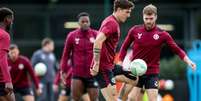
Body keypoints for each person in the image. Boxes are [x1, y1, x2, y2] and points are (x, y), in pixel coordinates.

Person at [118, 4, 196, 101]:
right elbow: (124, 47)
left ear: (156, 17)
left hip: (152, 73)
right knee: (131, 98)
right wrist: (120, 61)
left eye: (151, 18)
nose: (148, 21)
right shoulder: (135, 30)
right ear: (143, 17)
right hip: (136, 71)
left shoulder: (163, 34)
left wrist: (189, 61)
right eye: (146, 18)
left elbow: (177, 49)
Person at [90, 0, 135, 100]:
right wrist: (96, 63)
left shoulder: (112, 21)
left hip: (110, 66)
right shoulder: (111, 23)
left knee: (134, 78)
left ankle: (120, 99)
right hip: (103, 68)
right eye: (127, 12)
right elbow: (97, 41)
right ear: (119, 10)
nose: (128, 15)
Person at [60, 12, 98, 101]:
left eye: (87, 21)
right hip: (77, 74)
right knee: (75, 99)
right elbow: (65, 55)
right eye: (83, 21)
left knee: (94, 99)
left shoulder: (96, 35)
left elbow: (103, 52)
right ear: (79, 23)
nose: (85, 23)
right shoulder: (72, 36)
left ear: (90, 22)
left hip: (92, 74)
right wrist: (63, 70)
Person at [0, 7, 15, 101]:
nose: (12, 23)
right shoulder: (4, 35)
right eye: (12, 20)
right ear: (7, 19)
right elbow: (2, 58)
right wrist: (8, 81)